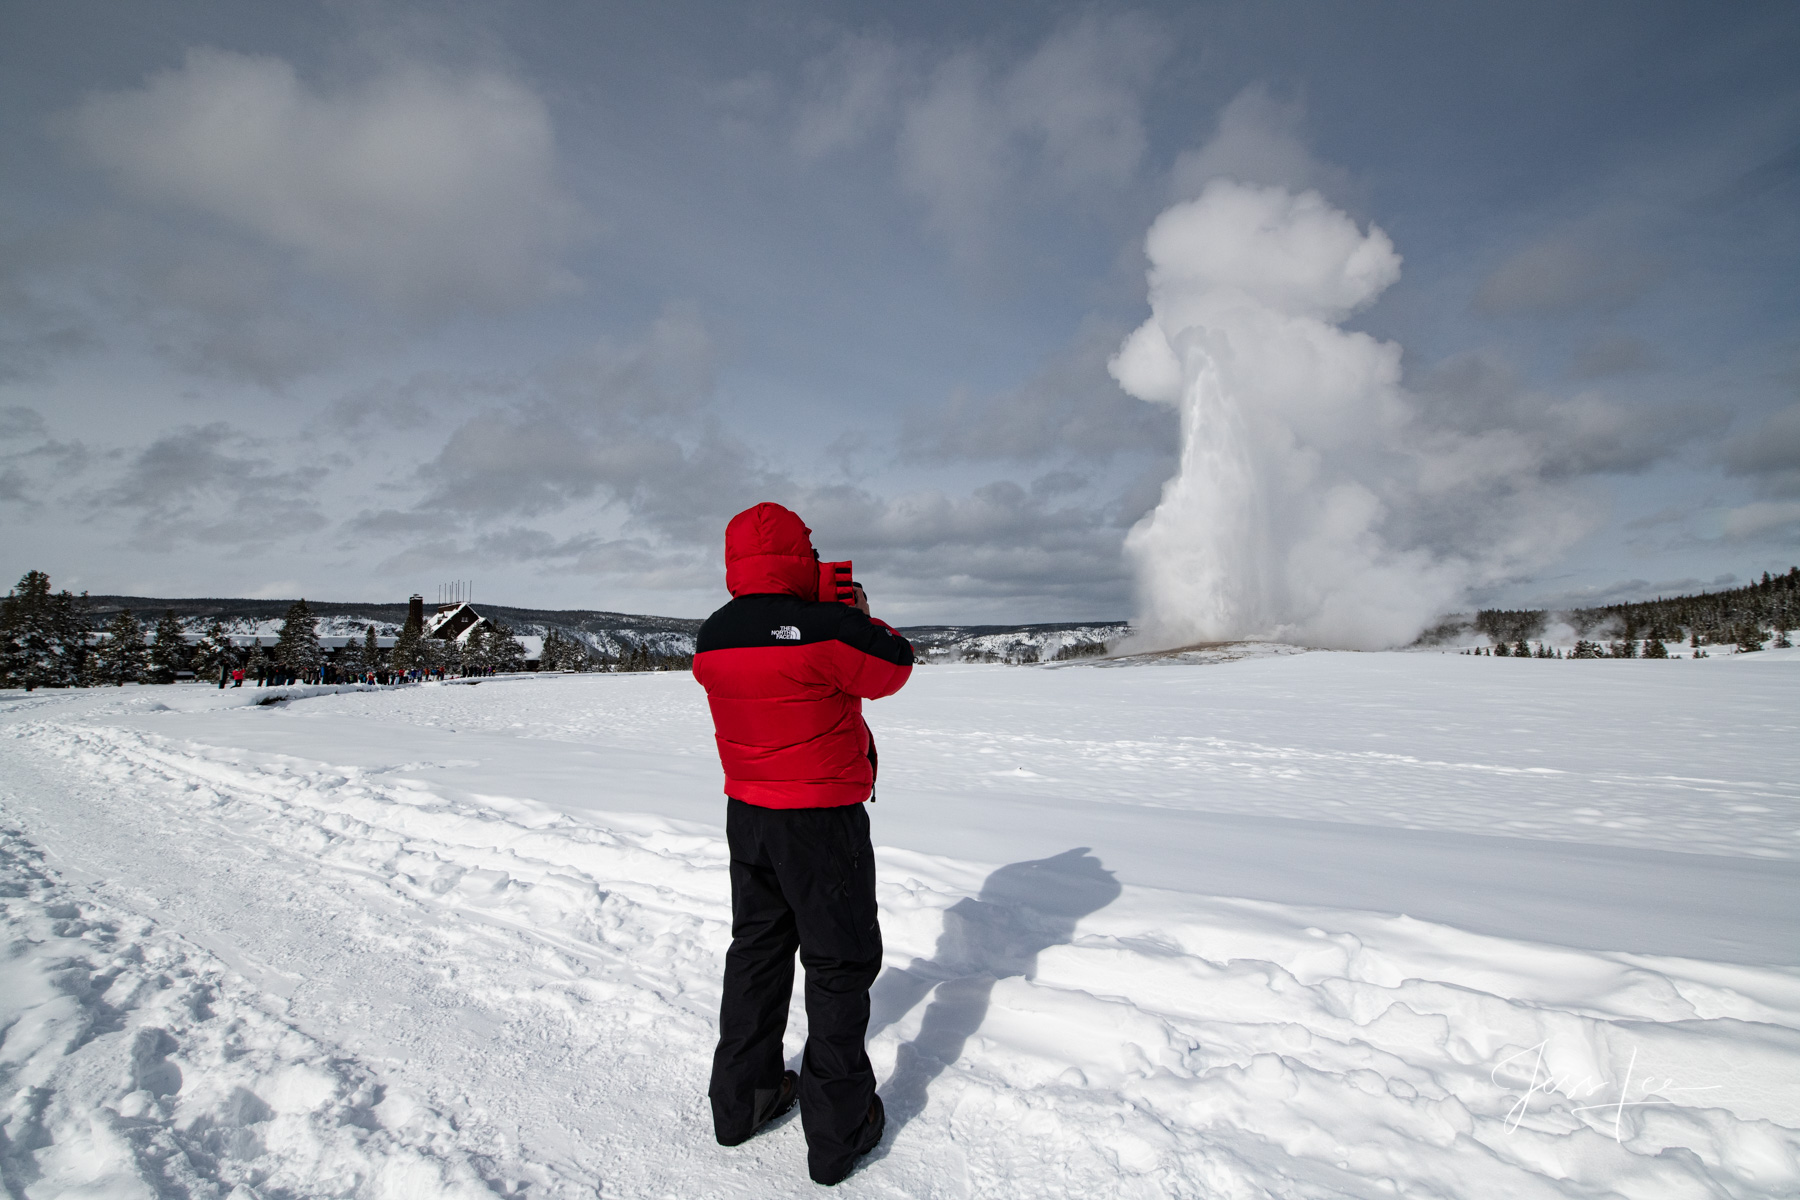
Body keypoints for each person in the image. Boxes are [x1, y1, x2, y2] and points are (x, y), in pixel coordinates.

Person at [692, 502, 914, 1186]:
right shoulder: (827, 628)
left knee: (757, 949)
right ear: (798, 555)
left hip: (748, 810)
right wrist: (859, 611)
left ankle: (741, 1104)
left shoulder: (713, 636)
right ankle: (837, 1133)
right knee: (839, 963)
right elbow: (894, 666)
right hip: (820, 819)